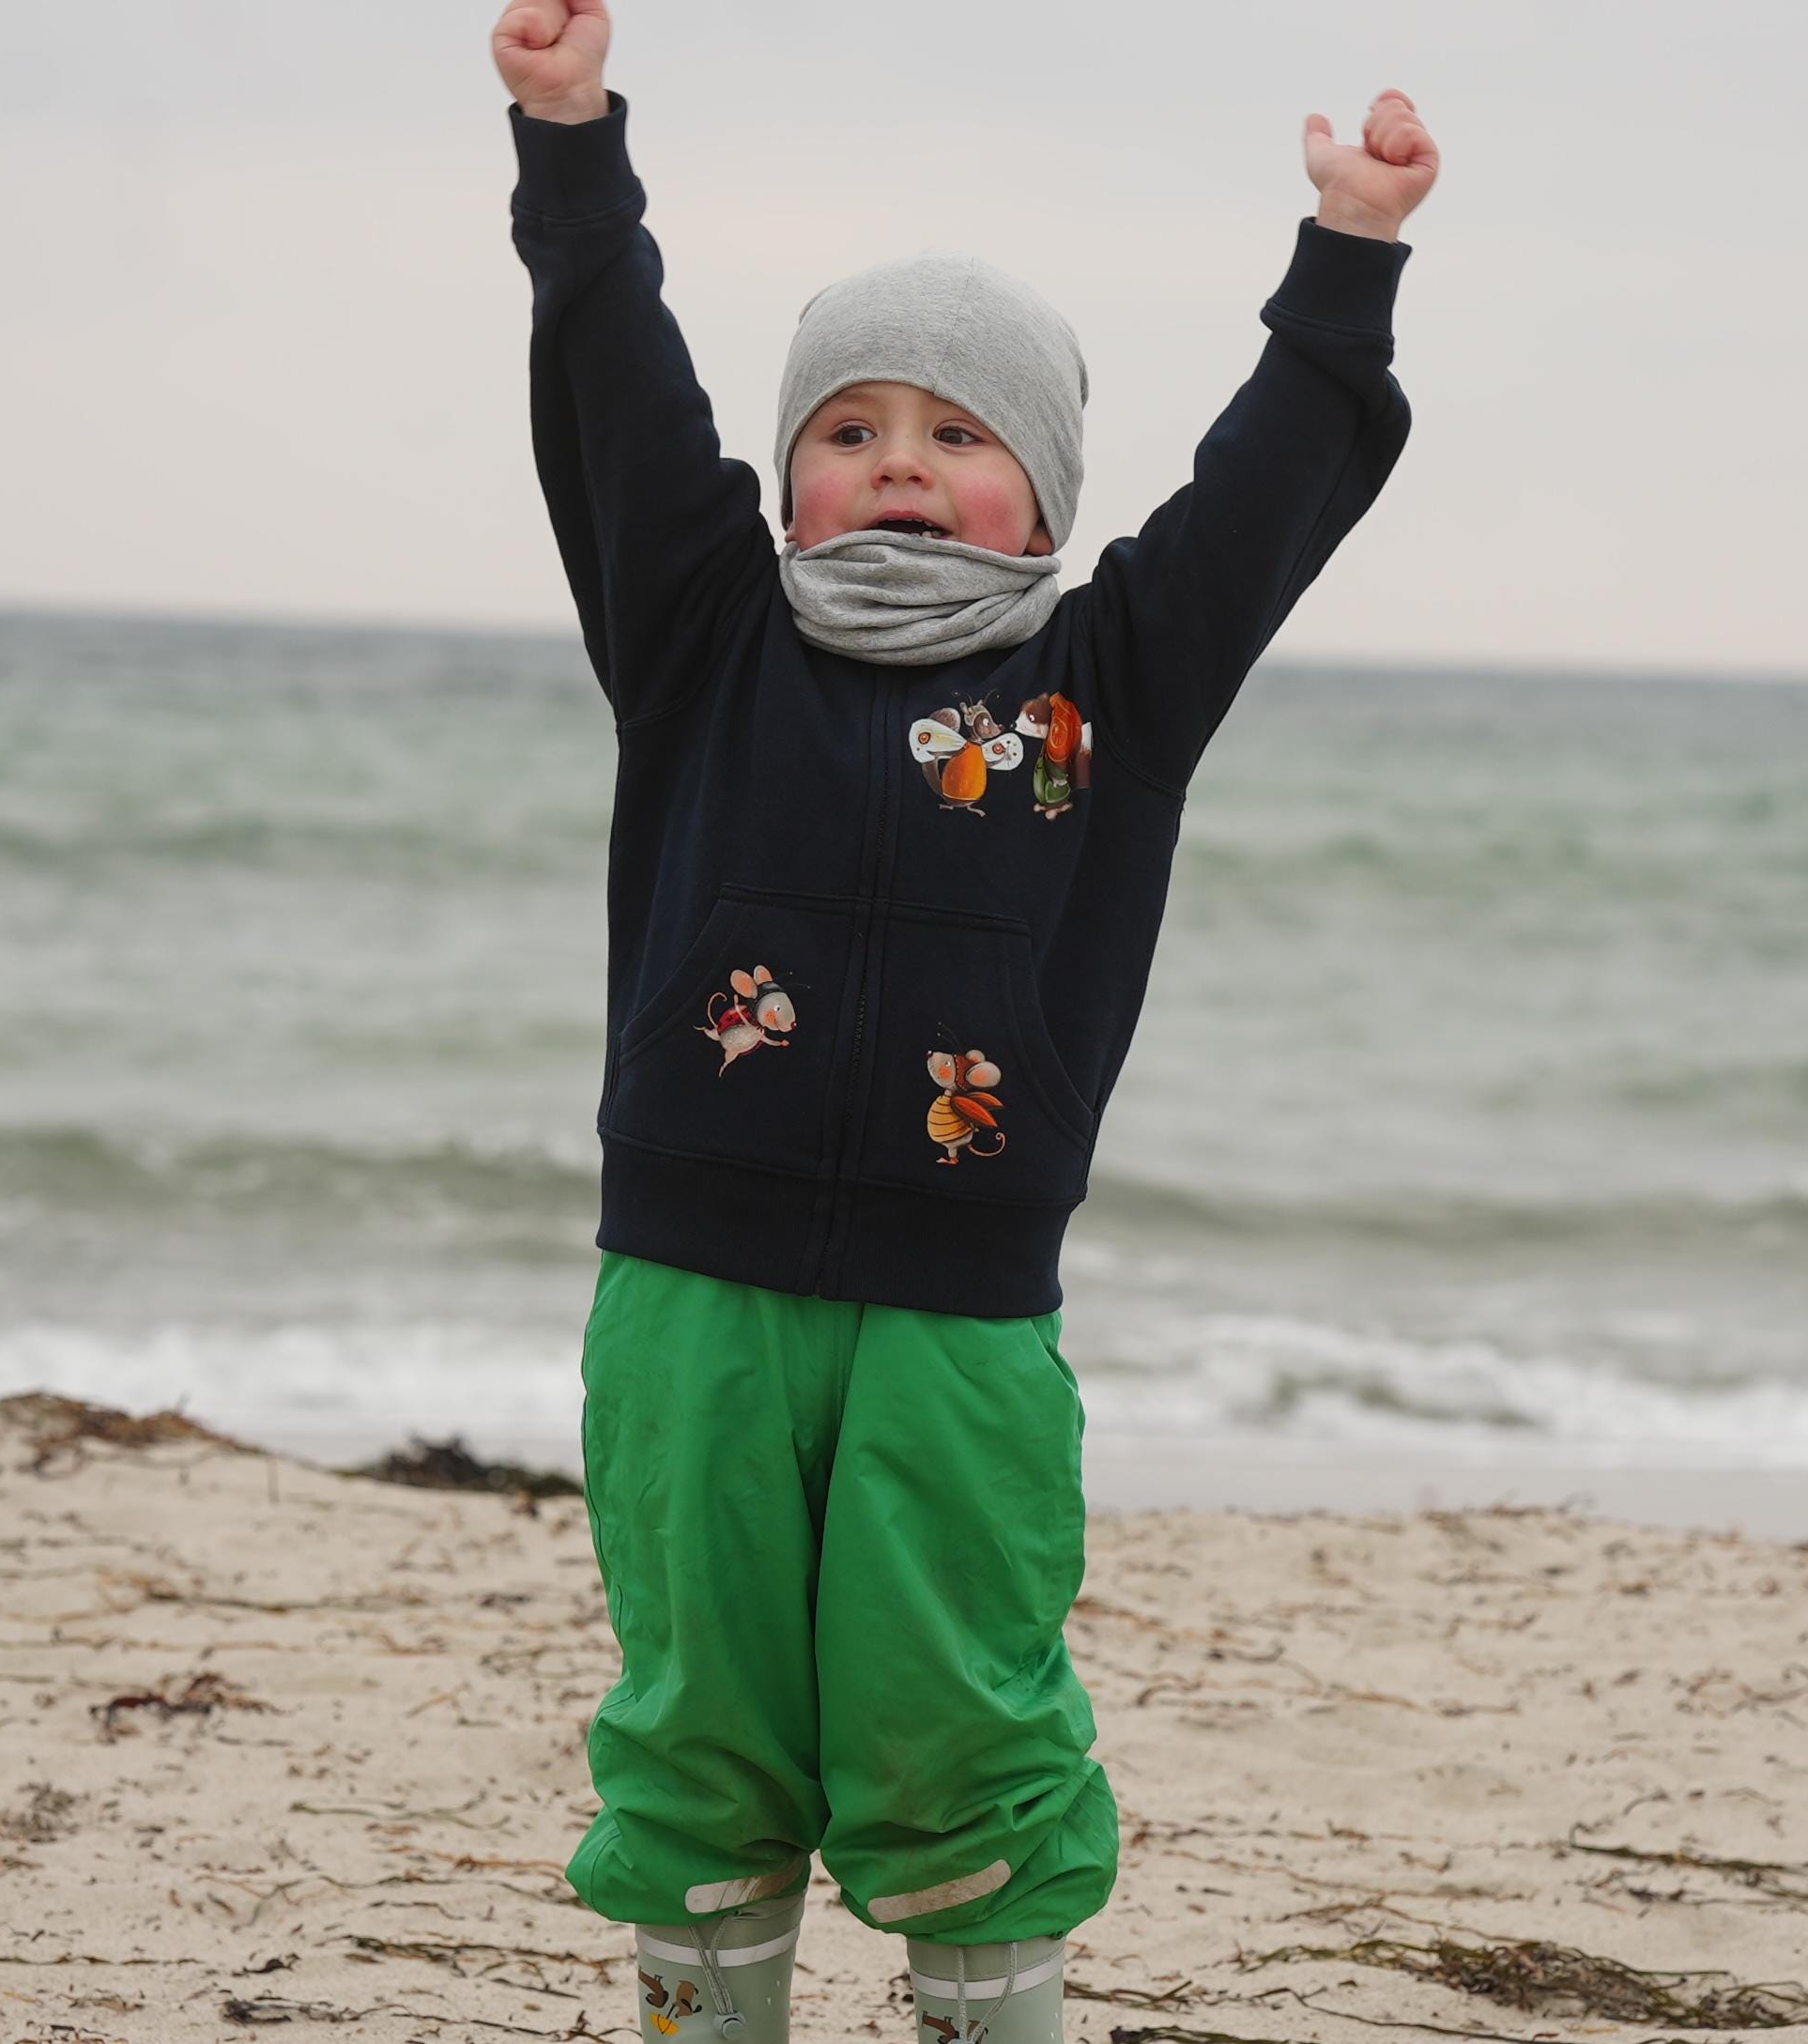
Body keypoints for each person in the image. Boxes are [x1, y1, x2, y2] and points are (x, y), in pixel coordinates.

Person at [489, 6, 1438, 2038]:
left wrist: (1346, 263)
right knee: (704, 1727)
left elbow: (1265, 494)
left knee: (965, 1737)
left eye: (955, 432)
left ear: (1044, 487)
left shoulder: (1117, 680)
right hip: (693, 1299)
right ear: (794, 478)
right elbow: (619, 395)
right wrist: (570, 144)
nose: (897, 460)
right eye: (849, 429)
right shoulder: (703, 636)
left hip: (963, 1322)